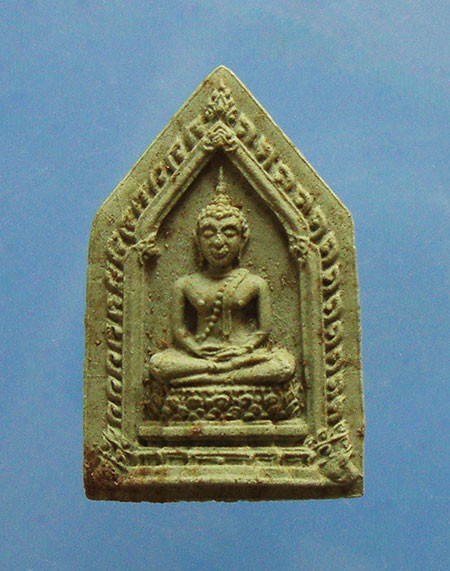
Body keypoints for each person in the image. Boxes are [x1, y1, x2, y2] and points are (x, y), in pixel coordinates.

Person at [149, 169, 295, 387]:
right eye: (209, 234)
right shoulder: (185, 284)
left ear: (242, 239)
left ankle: (213, 375)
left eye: (229, 233)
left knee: (283, 364)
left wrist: (243, 349)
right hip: (200, 356)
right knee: (159, 364)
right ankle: (221, 373)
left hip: (241, 355)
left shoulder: (255, 284)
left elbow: (263, 330)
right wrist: (196, 349)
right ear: (198, 240)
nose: (218, 242)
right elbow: (179, 330)